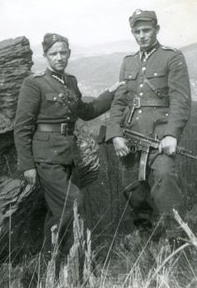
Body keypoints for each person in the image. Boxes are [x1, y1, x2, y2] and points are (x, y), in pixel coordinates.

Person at [14, 33, 122, 257]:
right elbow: (22, 126)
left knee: (58, 212)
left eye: (63, 52)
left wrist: (110, 94)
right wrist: (27, 165)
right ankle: (65, 257)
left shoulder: (70, 82)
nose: (59, 57)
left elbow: (86, 111)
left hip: (68, 155)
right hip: (45, 157)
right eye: (53, 53)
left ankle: (53, 262)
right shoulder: (34, 84)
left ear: (69, 54)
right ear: (45, 56)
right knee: (73, 201)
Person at [106, 9, 191, 245]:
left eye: (146, 30)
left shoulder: (172, 57)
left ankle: (176, 239)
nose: (142, 35)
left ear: (156, 30)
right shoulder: (128, 62)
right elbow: (119, 102)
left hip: (159, 138)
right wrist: (114, 134)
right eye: (137, 31)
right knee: (134, 191)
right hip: (131, 139)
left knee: (165, 181)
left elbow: (180, 100)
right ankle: (148, 238)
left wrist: (172, 134)